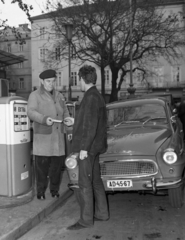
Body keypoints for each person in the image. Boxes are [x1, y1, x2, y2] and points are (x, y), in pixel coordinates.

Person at [67, 65, 109, 230]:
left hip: (88, 148)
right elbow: (89, 121)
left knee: (84, 183)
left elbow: (90, 125)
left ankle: (85, 220)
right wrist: (75, 121)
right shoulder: (96, 95)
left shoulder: (90, 97)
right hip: (95, 146)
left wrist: (83, 149)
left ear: (82, 80)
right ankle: (102, 214)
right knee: (96, 181)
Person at [27, 69, 73, 200]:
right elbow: (30, 112)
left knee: (56, 169)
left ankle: (54, 190)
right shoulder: (35, 95)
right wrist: (43, 119)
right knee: (41, 168)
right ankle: (40, 192)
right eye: (48, 81)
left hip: (58, 138)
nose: (51, 84)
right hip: (43, 139)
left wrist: (68, 119)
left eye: (53, 81)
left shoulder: (59, 95)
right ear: (41, 81)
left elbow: (65, 111)